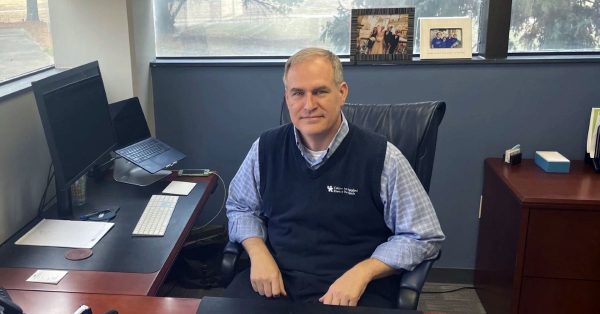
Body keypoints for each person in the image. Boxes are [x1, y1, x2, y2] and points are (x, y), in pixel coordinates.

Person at [224, 48, 444, 309]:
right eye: (298, 93)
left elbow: (422, 236)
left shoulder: (383, 157)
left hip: (354, 289)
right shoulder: (265, 148)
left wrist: (363, 272)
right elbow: (240, 208)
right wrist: (258, 253)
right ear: (287, 98)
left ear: (342, 93)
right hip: (276, 281)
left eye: (320, 91)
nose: (308, 105)